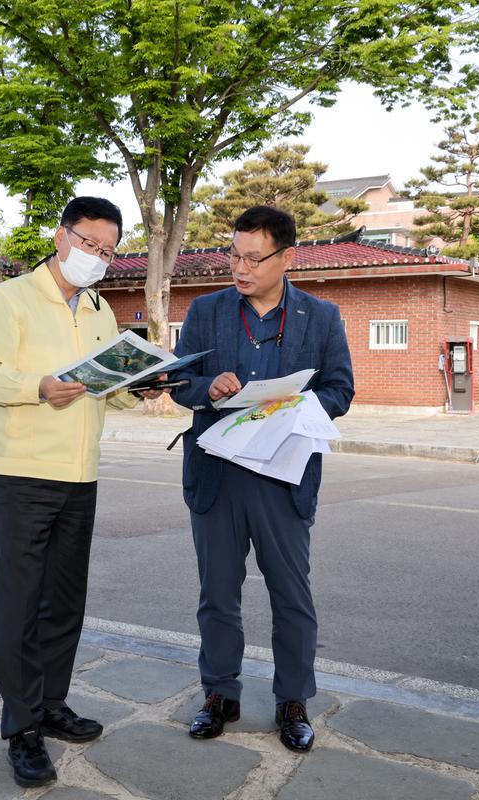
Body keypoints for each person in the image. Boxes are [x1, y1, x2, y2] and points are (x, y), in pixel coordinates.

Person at [0, 197, 164, 789]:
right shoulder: (8, 300)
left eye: (108, 250)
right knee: (19, 604)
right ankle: (21, 728)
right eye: (89, 244)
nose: (97, 258)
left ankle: (52, 705)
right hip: (24, 470)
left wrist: (140, 388)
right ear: (60, 236)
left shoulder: (101, 308)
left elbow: (104, 385)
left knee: (64, 601)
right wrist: (38, 387)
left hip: (81, 473)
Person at [169, 205, 354, 753]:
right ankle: (219, 695)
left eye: (254, 257)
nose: (240, 267)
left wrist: (292, 404)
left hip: (282, 474)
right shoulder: (205, 311)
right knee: (217, 595)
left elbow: (340, 389)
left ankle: (292, 701)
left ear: (286, 257)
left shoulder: (320, 317)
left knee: (291, 596)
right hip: (218, 474)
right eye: (234, 254)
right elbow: (180, 383)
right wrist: (209, 388)